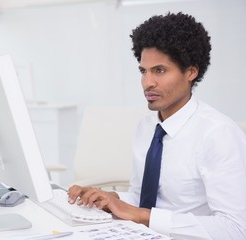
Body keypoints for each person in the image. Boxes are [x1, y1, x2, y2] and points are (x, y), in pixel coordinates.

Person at [67, 12, 246, 239]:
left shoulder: (218, 134)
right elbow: (142, 197)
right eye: (144, 71)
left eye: (159, 70)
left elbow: (236, 228)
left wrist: (143, 216)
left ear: (191, 72)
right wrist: (110, 199)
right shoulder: (147, 126)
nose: (147, 82)